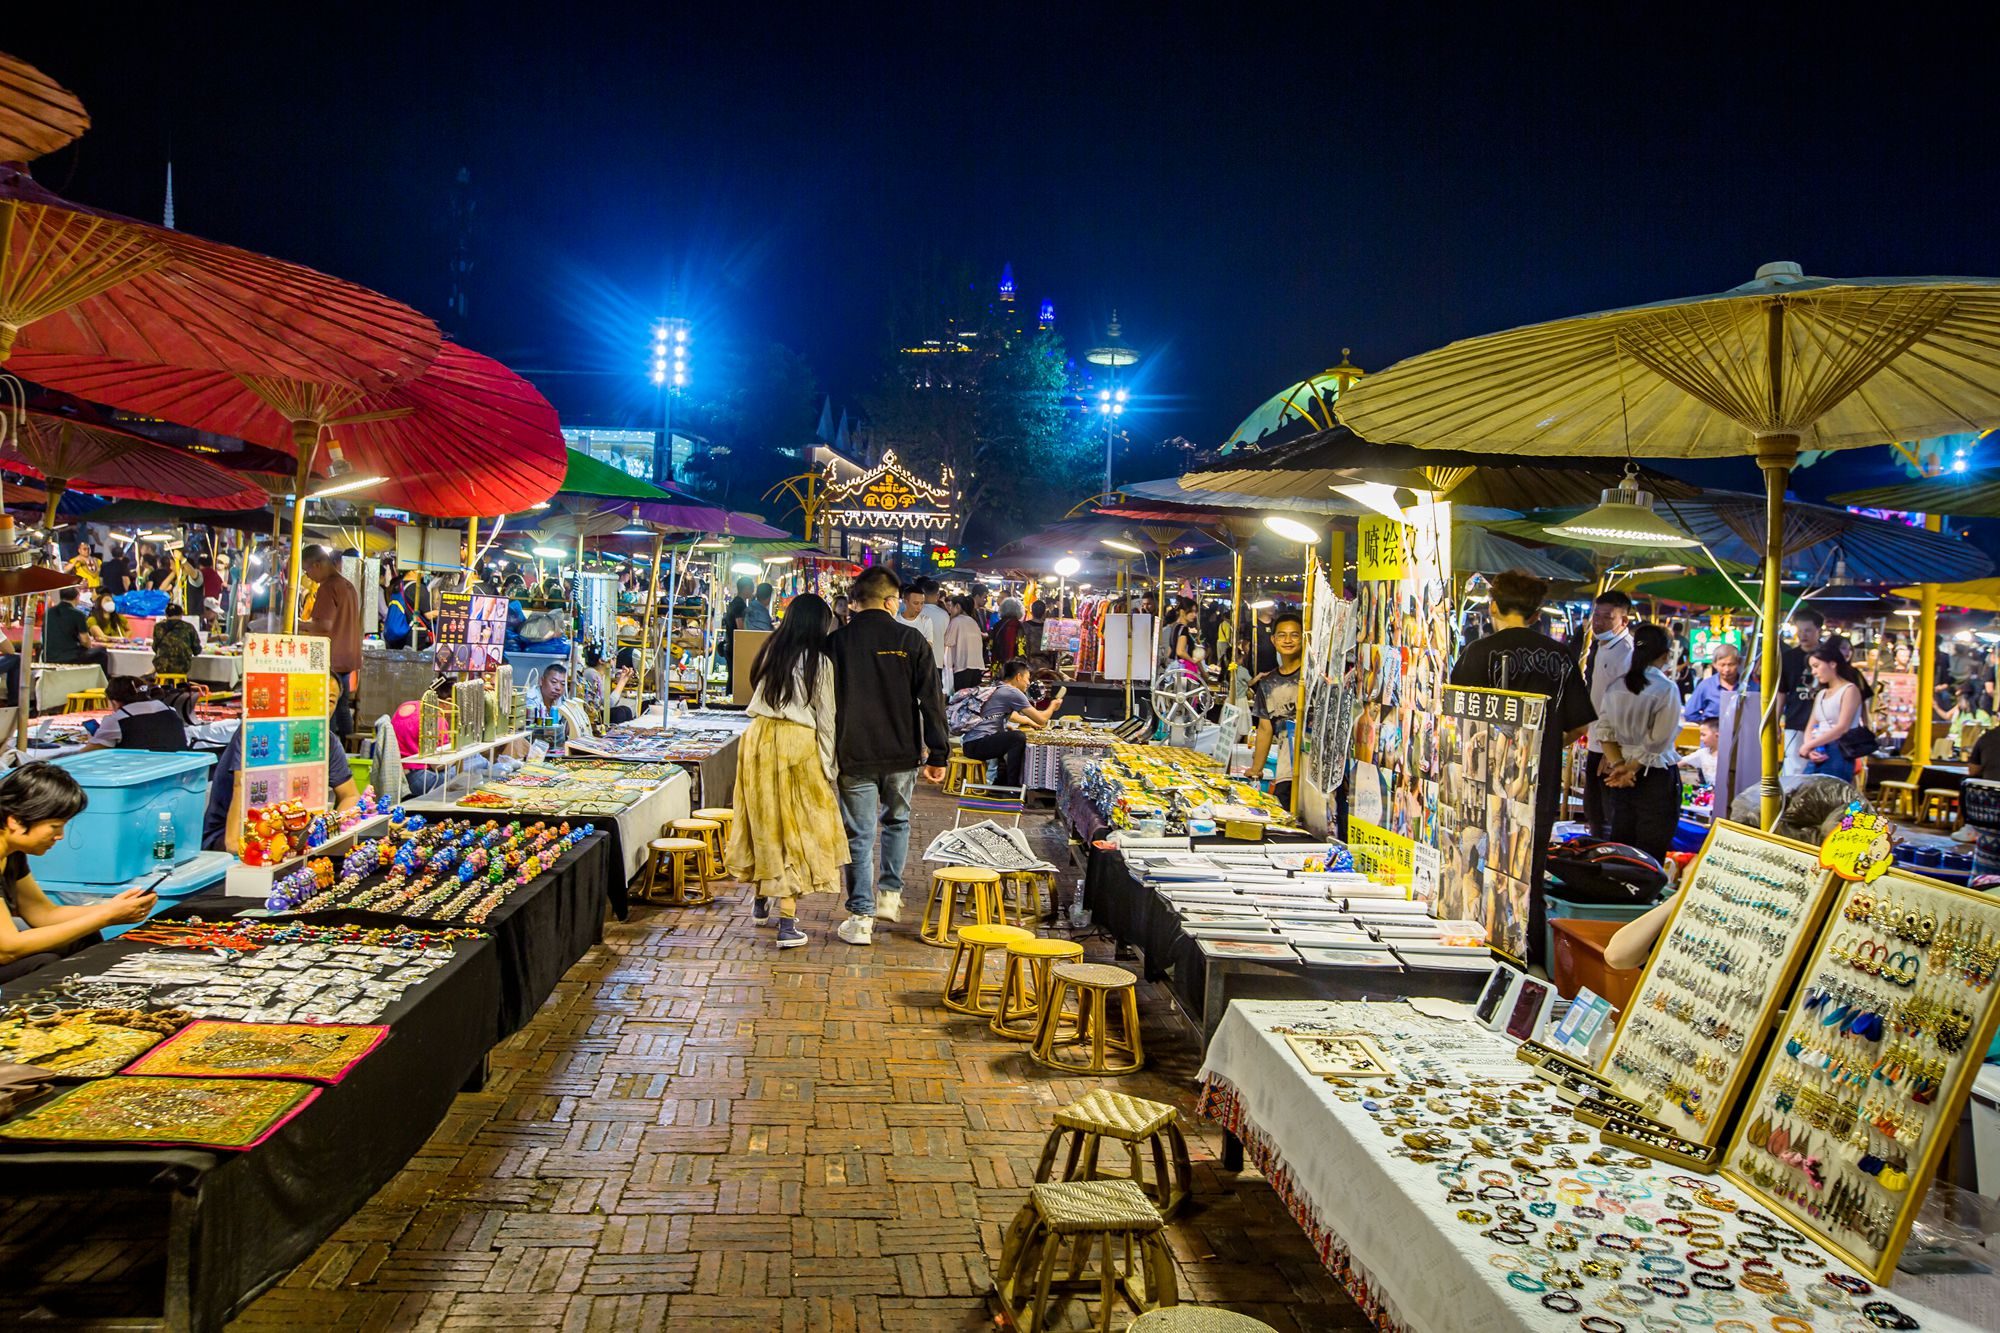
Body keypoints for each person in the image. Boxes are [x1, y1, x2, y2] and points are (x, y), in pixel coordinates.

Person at [1448, 570, 1598, 966]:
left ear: (1493, 606)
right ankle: (1526, 962)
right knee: (1527, 870)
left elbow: (1454, 719)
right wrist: (1540, 751)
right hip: (1538, 782)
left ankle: (1479, 953)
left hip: (1480, 780)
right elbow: (1579, 725)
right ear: (1535, 615)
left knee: (1477, 865)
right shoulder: (1561, 656)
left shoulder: (1477, 652)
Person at [828, 566, 948, 946]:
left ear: (854, 601)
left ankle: (860, 917)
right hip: (901, 751)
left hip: (854, 751)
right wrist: (938, 754)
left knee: (858, 834)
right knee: (897, 822)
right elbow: (932, 701)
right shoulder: (911, 640)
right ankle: (890, 895)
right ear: (892, 601)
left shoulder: (836, 643)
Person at [728, 593, 847, 949]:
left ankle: (761, 897)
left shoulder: (770, 651)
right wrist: (829, 765)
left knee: (763, 820)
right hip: (797, 743)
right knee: (798, 830)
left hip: (758, 738)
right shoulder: (819, 663)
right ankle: (787, 921)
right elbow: (827, 718)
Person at [0, 764, 157, 983]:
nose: (60, 836)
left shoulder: (12, 853)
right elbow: (7, 949)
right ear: (15, 820)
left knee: (83, 935)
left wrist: (112, 909)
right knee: (43, 964)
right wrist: (106, 917)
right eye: (54, 826)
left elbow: (43, 914)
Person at [203, 726, 362, 853]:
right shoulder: (257, 729)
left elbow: (350, 795)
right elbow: (241, 786)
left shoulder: (326, 740)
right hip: (230, 836)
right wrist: (235, 844)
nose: (324, 706)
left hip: (291, 835)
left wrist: (327, 829)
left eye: (331, 701)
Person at [1597, 622, 1682, 860]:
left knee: (1622, 844)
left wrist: (1619, 766)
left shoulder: (1616, 686)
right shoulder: (1666, 688)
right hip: (1653, 776)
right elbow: (1659, 740)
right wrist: (1630, 769)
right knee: (1650, 850)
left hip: (1620, 777)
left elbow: (1604, 732)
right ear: (1665, 655)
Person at [1582, 589, 1635, 838]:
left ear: (1624, 621)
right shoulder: (1601, 646)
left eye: (1607, 617)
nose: (1599, 622)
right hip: (1596, 741)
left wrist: (1613, 752)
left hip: (1611, 748)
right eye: (1597, 615)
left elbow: (1627, 703)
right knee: (1594, 811)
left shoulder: (1626, 652)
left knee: (1607, 816)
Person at [963, 658, 1063, 787]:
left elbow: (1012, 716)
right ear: (1018, 677)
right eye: (1027, 678)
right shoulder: (1013, 692)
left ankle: (1000, 783)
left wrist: (1017, 724)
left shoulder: (998, 687)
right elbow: (1042, 719)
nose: (1028, 683)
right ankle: (1012, 786)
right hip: (976, 745)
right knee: (1017, 738)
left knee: (1010, 735)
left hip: (970, 743)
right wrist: (1053, 706)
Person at [299, 545, 361, 739]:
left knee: (328, 708)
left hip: (331, 658)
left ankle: (329, 748)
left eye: (307, 570)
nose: (308, 576)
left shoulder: (327, 587)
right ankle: (346, 748)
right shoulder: (347, 586)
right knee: (342, 707)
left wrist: (299, 625)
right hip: (347, 657)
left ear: (317, 565)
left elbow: (324, 625)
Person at [1247, 611, 1306, 806]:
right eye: (1282, 635)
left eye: (1294, 635)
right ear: (1273, 640)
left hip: (1313, 768)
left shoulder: (1312, 677)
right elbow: (1265, 729)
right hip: (1286, 769)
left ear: (1303, 638)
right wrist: (1256, 769)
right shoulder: (1267, 683)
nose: (1288, 640)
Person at [1799, 640, 1871, 782]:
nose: (1814, 672)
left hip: (1839, 750)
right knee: (1808, 790)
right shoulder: (1821, 694)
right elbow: (1810, 725)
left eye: (1816, 666)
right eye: (1811, 668)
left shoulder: (1850, 690)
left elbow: (1842, 728)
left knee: (1834, 792)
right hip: (1818, 749)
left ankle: (1860, 804)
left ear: (1832, 664)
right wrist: (1810, 747)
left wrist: (1809, 745)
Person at [84, 675, 189, 752]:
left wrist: (92, 739)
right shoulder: (170, 711)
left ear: (115, 702)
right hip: (177, 768)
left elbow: (89, 753)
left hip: (140, 770)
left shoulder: (118, 720)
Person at [1777, 606, 1825, 775]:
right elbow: (1781, 692)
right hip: (1795, 721)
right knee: (1794, 770)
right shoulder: (1788, 658)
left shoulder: (1829, 656)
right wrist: (1776, 722)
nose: (1803, 635)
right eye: (1800, 630)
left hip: (1825, 725)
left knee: (1822, 772)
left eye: (1808, 630)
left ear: (1818, 630)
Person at [43, 587, 108, 670]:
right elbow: (85, 641)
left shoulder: (48, 613)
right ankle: (100, 678)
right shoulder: (78, 614)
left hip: (49, 657)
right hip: (70, 658)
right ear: (77, 597)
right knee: (101, 652)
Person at [1681, 642, 1741, 723]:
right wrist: (1708, 724)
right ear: (1714, 664)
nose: (1727, 669)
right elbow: (1690, 713)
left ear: (1738, 663)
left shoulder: (1750, 685)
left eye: (1731, 664)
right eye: (1722, 665)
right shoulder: (1706, 686)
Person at [579, 642, 636, 726]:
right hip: (590, 716)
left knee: (626, 710)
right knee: (620, 713)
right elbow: (609, 704)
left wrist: (622, 678)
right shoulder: (592, 674)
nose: (614, 661)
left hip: (596, 713)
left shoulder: (598, 674)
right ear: (601, 660)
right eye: (612, 658)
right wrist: (622, 681)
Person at [940, 593, 987, 692]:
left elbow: (947, 641)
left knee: (961, 698)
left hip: (963, 668)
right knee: (971, 698)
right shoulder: (973, 622)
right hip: (977, 667)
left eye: (952, 607)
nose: (950, 610)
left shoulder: (956, 621)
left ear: (957, 606)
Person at [151, 602, 202, 678]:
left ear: (166, 614)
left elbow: (155, 647)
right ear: (181, 614)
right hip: (182, 667)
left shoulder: (158, 627)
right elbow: (197, 650)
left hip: (161, 667)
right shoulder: (189, 627)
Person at [896, 576, 940, 662]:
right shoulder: (895, 620)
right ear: (905, 601)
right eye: (916, 603)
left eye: (922, 603)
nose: (919, 607)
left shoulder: (926, 621)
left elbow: (928, 647)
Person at [1948, 680, 1994, 752]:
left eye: (1960, 699)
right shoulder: (1960, 715)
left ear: (1968, 699)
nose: (1958, 703)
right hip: (1956, 747)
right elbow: (1953, 731)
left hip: (1974, 749)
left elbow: (1985, 735)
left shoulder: (1982, 715)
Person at [721, 575, 755, 670]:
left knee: (732, 676)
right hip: (734, 647)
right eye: (751, 588)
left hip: (730, 645)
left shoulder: (735, 602)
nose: (752, 591)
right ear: (746, 589)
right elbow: (741, 628)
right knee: (735, 676)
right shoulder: (739, 604)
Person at [916, 578, 951, 670]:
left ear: (923, 594)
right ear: (938, 595)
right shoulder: (944, 615)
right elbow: (946, 639)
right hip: (937, 660)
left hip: (917, 660)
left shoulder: (916, 612)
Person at [1679, 720, 1720, 788]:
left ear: (1717, 736)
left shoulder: (1727, 755)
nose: (1701, 738)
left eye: (1703, 735)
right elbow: (1680, 762)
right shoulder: (1702, 753)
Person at [1159, 600, 1198, 667]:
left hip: (1173, 666)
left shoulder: (1174, 626)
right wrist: (1193, 661)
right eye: (1191, 611)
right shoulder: (1183, 629)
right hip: (1181, 667)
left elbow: (1171, 649)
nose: (1194, 615)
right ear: (1182, 611)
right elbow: (1180, 651)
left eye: (1195, 612)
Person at [990, 596, 1026, 661]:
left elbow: (991, 645)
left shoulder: (997, 625)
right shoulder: (1019, 626)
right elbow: (1021, 648)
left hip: (998, 663)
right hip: (1014, 664)